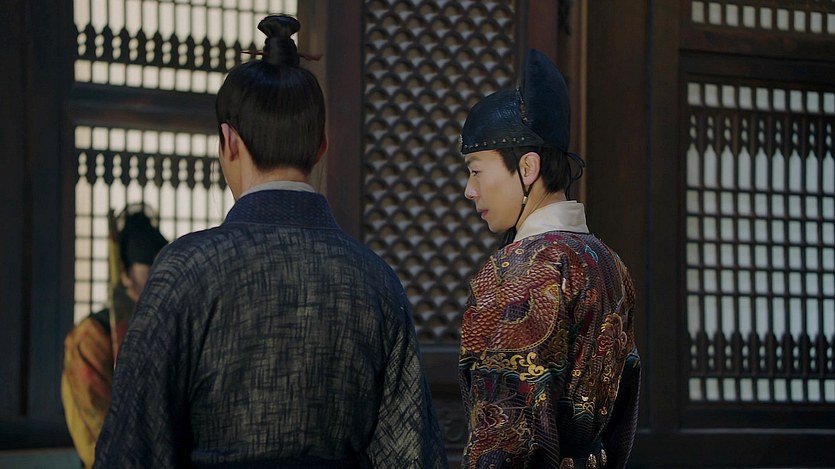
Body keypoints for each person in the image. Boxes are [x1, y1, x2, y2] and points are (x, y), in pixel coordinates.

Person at [93, 14, 447, 468]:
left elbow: (130, 449)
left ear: (228, 142)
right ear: (321, 146)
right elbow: (412, 454)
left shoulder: (186, 269)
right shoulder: (375, 280)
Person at [458, 49, 641, 469]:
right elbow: (624, 418)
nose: (470, 190)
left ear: (527, 168)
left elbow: (504, 437)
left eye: (476, 169)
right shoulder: (611, 265)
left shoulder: (517, 271)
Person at [61, 204, 168, 468]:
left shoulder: (165, 327)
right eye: (149, 270)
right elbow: (97, 426)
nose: (159, 279)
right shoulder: (91, 336)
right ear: (125, 272)